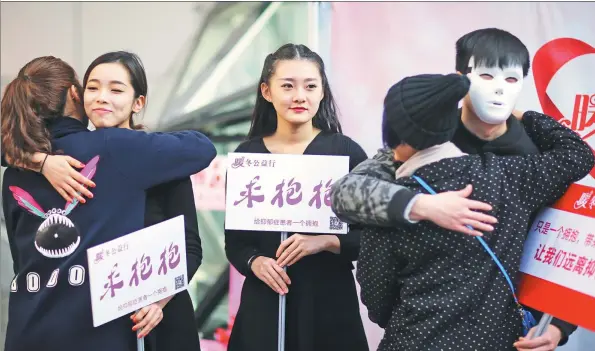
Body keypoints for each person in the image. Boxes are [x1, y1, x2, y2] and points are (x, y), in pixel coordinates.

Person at [330, 27, 580, 350]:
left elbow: (570, 238)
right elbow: (346, 193)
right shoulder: (421, 142)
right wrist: (421, 205)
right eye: (487, 76)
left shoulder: (535, 156)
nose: (499, 91)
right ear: (461, 79)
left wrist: (558, 324)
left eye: (512, 80)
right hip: (422, 332)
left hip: (511, 335)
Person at [1, 56, 216, 351]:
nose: (102, 97)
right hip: (103, 329)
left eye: (116, 90)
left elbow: (21, 257)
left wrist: (37, 161)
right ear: (77, 94)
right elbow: (202, 147)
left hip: (29, 327)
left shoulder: (15, 169)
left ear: (138, 101)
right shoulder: (114, 148)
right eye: (93, 87)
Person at [224, 43, 369, 351]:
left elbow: (372, 236)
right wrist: (255, 262)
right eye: (287, 86)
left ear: (322, 92)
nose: (300, 96)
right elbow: (235, 243)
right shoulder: (247, 156)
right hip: (265, 304)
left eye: (310, 86)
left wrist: (326, 241)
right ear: (266, 91)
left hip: (329, 305)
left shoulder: (346, 153)